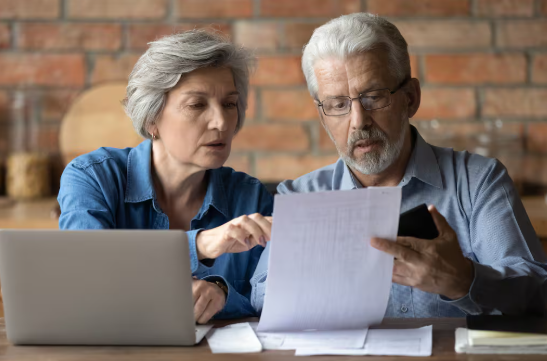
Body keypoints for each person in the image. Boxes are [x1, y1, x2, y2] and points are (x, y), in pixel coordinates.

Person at [251, 13, 547, 317]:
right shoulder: (301, 196)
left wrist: (465, 281)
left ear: (410, 98)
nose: (358, 122)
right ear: (322, 115)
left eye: (374, 97)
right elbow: (261, 295)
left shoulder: (478, 181)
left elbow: (538, 293)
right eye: (338, 104)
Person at [58, 30, 273, 323]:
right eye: (197, 105)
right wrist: (199, 245)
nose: (221, 121)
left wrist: (221, 292)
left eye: (229, 104)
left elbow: (269, 300)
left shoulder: (251, 198)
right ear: (152, 118)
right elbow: (85, 272)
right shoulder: (92, 177)